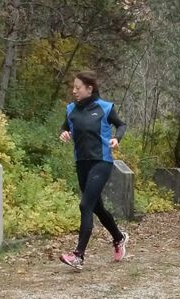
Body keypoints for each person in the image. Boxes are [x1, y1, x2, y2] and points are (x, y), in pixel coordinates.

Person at [58, 70, 129, 270]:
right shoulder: (71, 109)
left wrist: (117, 138)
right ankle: (118, 237)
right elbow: (65, 128)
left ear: (89, 88)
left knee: (85, 205)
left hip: (102, 162)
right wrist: (64, 133)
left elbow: (121, 125)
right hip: (82, 163)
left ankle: (78, 255)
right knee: (96, 207)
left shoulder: (105, 108)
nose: (74, 91)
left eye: (78, 88)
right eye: (73, 87)